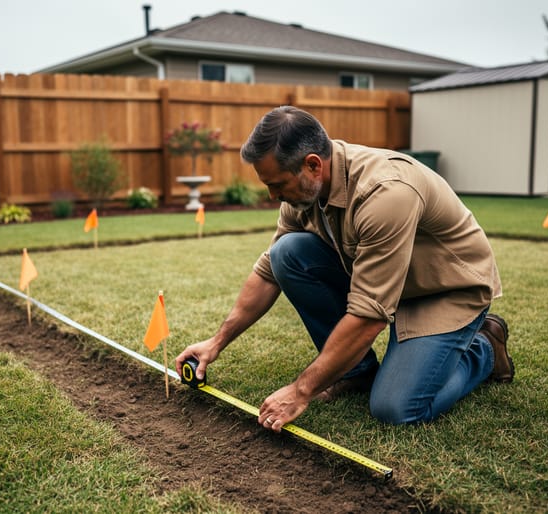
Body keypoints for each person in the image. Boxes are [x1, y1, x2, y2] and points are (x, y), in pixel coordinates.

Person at [174, 106, 514, 428]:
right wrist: (215, 342)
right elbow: (268, 271)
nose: (272, 196)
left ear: (312, 165)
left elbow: (369, 315)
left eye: (277, 185)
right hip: (387, 282)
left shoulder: (385, 193)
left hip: (443, 290)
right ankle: (356, 371)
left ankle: (484, 348)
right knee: (287, 254)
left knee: (397, 409)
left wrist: (300, 391)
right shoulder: (304, 191)